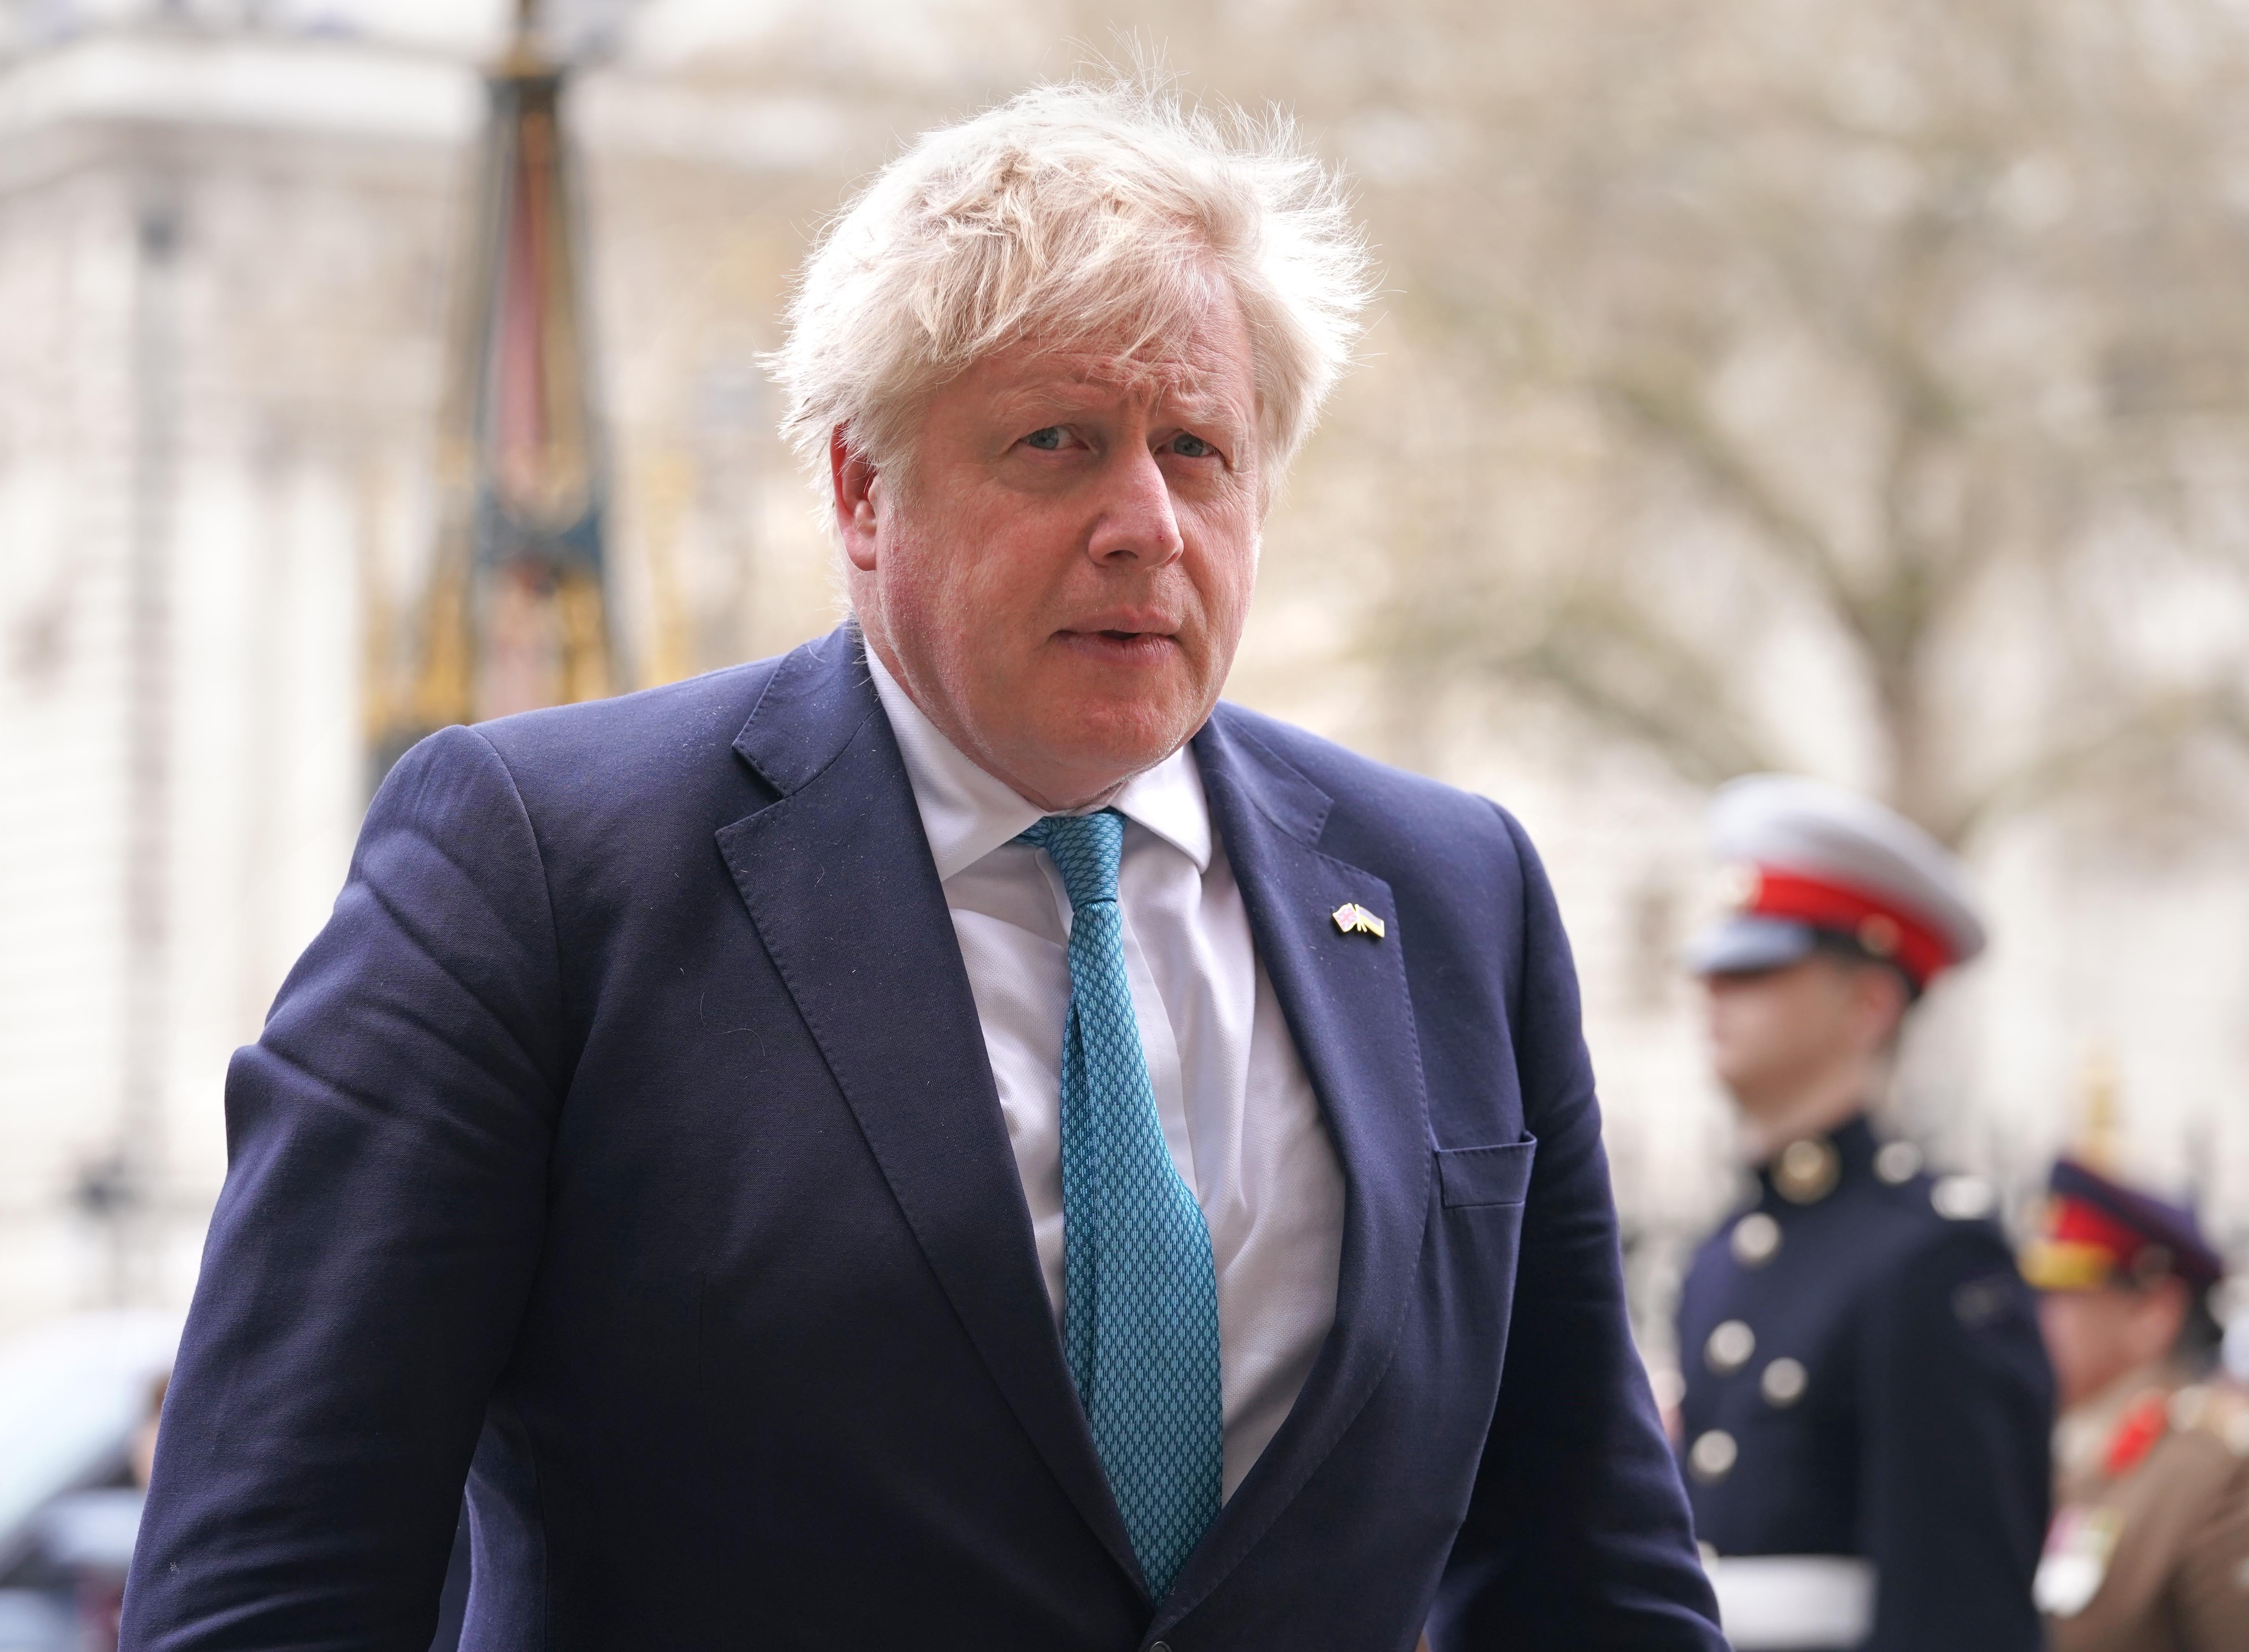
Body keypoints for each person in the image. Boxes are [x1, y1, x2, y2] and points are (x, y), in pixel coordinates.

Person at [121, 81, 1724, 1650]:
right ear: (861, 491)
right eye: (1057, 442)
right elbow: (277, 1576)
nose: (1147, 522)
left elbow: (1592, 1570)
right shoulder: (543, 868)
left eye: (1197, 448)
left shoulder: (1453, 896)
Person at [1675, 774, 2055, 1651]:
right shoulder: (1725, 1254)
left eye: (1758, 968)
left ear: (1869, 1004)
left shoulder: (1932, 1255)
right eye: (1714, 968)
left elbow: (1961, 1606)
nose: (1715, 993)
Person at [2025, 1156, 2249, 1649]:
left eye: (2064, 1294)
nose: (2036, 1318)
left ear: (2153, 1312)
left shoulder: (2211, 1475)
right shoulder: (2072, 1454)